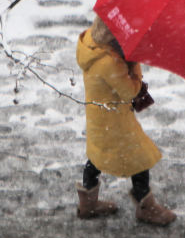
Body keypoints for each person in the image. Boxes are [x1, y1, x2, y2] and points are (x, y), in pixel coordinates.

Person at [75, 16, 176, 226]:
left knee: (96, 155)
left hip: (100, 117)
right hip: (115, 121)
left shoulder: (93, 48)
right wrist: (134, 64)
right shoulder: (109, 62)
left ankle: (88, 203)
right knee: (140, 158)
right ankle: (145, 207)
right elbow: (130, 91)